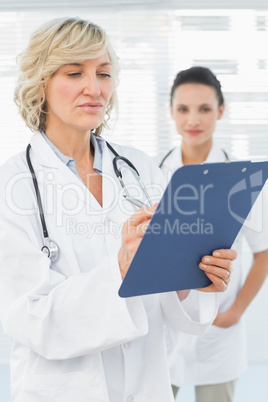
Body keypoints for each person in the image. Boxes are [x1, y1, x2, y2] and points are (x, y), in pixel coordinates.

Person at [0, 20, 236, 402]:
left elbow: (175, 310)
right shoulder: (12, 184)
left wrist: (195, 277)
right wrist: (121, 268)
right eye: (75, 72)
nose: (95, 88)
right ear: (39, 82)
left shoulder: (141, 168)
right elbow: (28, 319)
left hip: (147, 387)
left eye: (104, 73)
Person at [157, 66, 268, 402]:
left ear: (220, 111)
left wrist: (235, 312)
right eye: (183, 109)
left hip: (219, 333)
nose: (194, 119)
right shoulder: (152, 174)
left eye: (204, 109)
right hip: (164, 331)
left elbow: (263, 251)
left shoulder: (242, 179)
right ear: (171, 112)